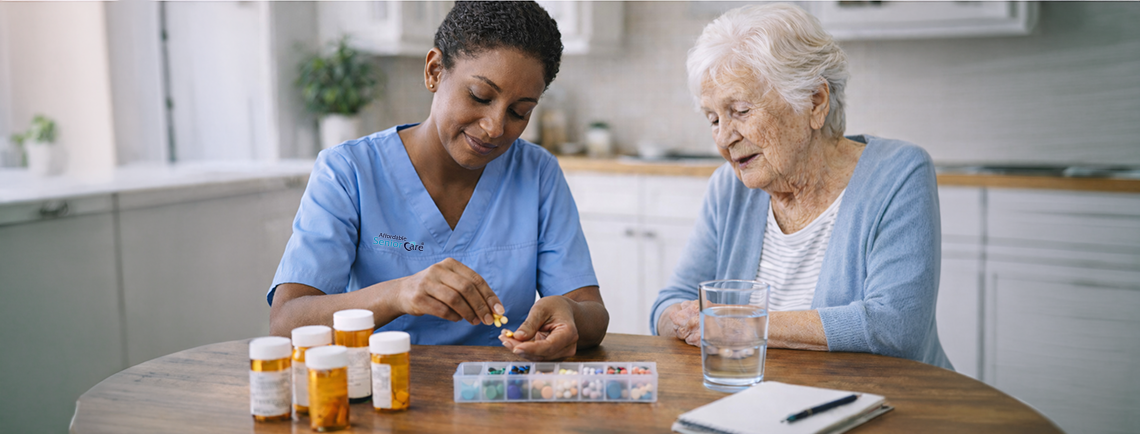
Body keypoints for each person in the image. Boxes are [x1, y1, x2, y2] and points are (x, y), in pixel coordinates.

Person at [268, 1, 608, 361]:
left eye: (518, 111)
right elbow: (287, 322)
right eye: (479, 96)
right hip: (384, 389)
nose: (495, 127)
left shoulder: (537, 173)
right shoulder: (348, 171)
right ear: (434, 71)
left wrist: (569, 314)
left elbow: (593, 314)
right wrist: (397, 294)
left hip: (499, 396)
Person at [652, 3, 952, 369]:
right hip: (762, 402)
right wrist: (680, 319)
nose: (725, 137)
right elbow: (670, 303)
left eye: (741, 111)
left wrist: (740, 324)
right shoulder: (727, 189)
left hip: (880, 404)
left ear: (815, 102)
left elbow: (895, 326)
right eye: (713, 118)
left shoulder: (897, 173)